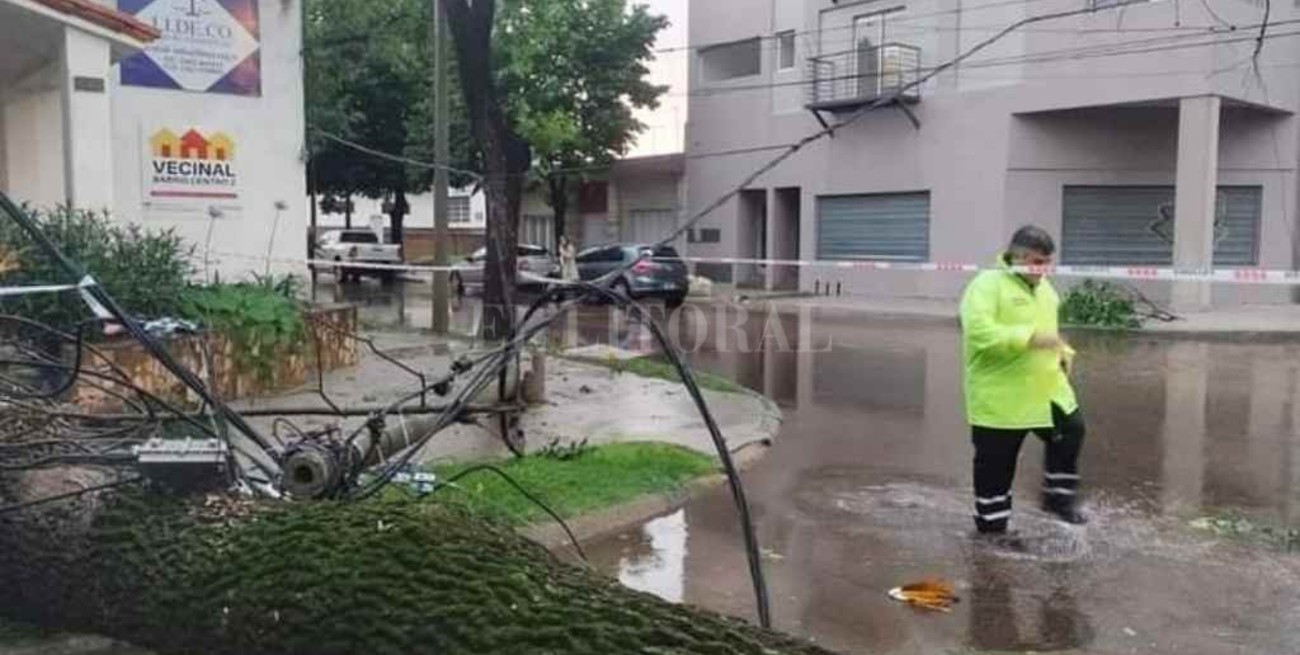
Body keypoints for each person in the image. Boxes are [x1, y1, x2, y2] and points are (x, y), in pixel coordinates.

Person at [959, 225, 1087, 537]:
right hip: (1001, 394)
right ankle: (992, 525)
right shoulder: (987, 286)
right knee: (997, 464)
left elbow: (1049, 334)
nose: (1043, 270)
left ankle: (1058, 499)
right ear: (1017, 257)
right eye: (1037, 262)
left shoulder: (1046, 290)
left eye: (1047, 262)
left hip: (1045, 389)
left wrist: (1063, 353)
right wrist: (1027, 338)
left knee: (1071, 430)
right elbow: (979, 333)